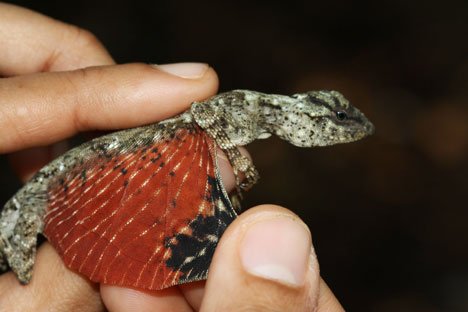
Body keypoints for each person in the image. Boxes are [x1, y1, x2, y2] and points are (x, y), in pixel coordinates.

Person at [0, 3, 344, 311]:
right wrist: (235, 159)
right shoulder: (252, 106)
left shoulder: (264, 115)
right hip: (146, 148)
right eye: (328, 125)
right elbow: (205, 113)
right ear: (307, 119)